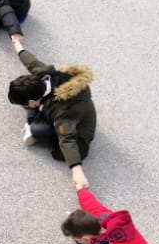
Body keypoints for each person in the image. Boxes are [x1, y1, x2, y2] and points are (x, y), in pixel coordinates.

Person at [8, 37, 95, 165]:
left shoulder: (63, 111)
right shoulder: (44, 76)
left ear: (33, 101)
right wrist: (18, 46)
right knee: (26, 101)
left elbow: (67, 140)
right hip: (51, 106)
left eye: (28, 103)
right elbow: (32, 63)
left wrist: (76, 169)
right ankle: (34, 117)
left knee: (38, 130)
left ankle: (33, 125)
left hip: (76, 132)